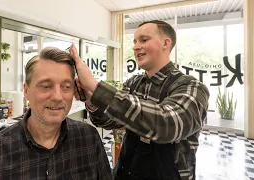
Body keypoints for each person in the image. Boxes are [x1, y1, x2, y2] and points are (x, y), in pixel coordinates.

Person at [70, 20, 210, 180]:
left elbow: (167, 124)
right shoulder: (133, 84)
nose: (136, 46)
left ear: (166, 43)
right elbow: (110, 122)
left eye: (144, 40)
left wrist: (97, 88)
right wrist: (92, 101)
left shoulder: (191, 87)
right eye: (135, 41)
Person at [0, 47, 113, 180]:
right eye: (46, 86)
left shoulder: (89, 139)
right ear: (26, 91)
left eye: (66, 87)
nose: (57, 96)